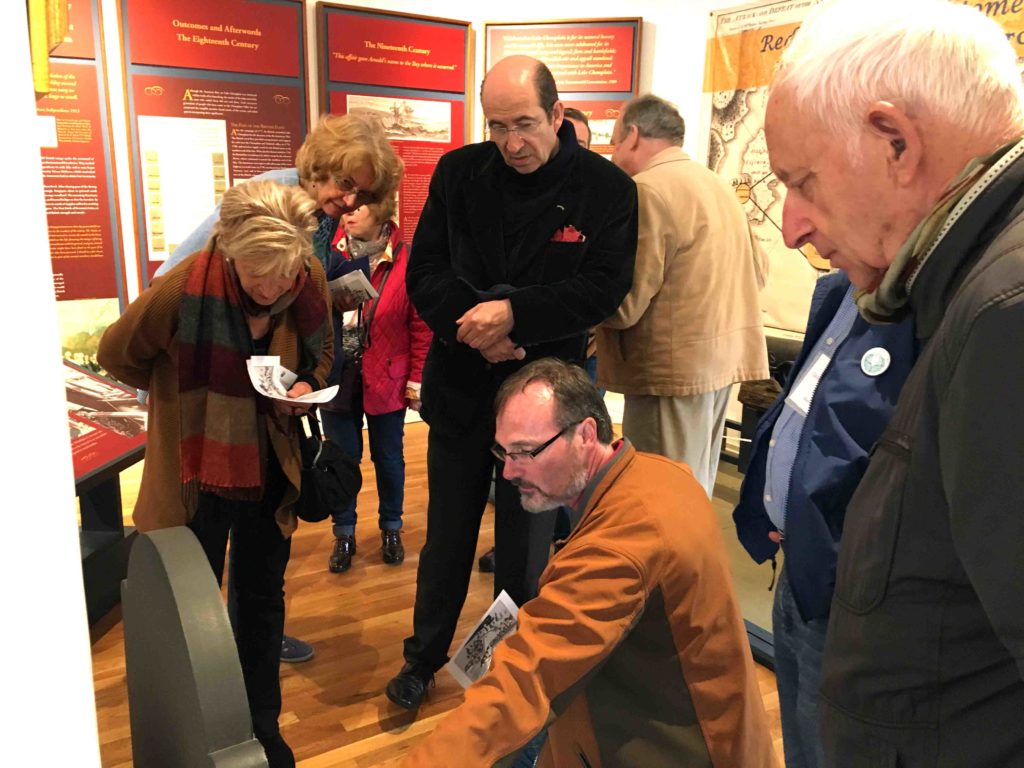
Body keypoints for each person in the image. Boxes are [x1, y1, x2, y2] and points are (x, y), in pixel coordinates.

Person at [764, 0, 1024, 763]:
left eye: (802, 180)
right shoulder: (972, 282)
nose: (792, 225)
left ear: (896, 142)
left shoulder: (1005, 310)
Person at [387, 55, 638, 711]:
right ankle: (424, 657)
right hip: (464, 386)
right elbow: (427, 274)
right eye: (497, 126)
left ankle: (514, 665)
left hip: (545, 402)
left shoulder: (608, 190)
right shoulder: (459, 173)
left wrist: (516, 315)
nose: (512, 143)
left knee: (527, 550)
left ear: (558, 114)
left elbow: (604, 287)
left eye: (525, 124)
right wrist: (483, 328)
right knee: (447, 535)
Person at [403, 358, 775, 767]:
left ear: (585, 434)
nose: (508, 471)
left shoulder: (620, 547)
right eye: (503, 451)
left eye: (525, 452)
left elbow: (527, 678)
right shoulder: (661, 473)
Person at [98, 180, 334, 767]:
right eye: (260, 273)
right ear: (229, 246)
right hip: (196, 471)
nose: (275, 288)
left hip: (270, 470)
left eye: (286, 273)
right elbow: (116, 352)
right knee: (189, 609)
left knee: (261, 602)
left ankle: (262, 728)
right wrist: (177, 396)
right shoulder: (183, 289)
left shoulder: (308, 279)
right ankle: (198, 728)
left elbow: (322, 350)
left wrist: (303, 386)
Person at [158, 113, 403, 663]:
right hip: (222, 403)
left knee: (264, 539)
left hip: (272, 400)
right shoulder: (267, 198)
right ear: (322, 165)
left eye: (362, 191)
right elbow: (177, 275)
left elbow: (291, 292)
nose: (350, 199)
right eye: (346, 183)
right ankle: (207, 655)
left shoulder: (318, 217)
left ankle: (253, 640)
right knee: (209, 536)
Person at [733, 270, 917, 768]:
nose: (794, 231)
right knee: (800, 739)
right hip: (800, 568)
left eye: (808, 188)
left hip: (847, 593)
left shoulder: (926, 307)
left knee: (826, 746)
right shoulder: (840, 293)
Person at [600, 94, 768, 496]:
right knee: (696, 489)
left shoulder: (646, 190)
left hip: (669, 374)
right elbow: (759, 271)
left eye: (614, 140)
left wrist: (575, 301)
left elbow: (627, 303)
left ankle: (672, 563)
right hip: (718, 365)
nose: (612, 151)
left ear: (634, 135)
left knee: (662, 495)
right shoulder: (717, 185)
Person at [321, 198, 431, 572]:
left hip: (386, 373)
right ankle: (344, 532)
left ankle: (391, 527)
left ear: (383, 210)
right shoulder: (325, 251)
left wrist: (416, 381)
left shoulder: (406, 257)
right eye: (347, 206)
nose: (349, 212)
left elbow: (420, 325)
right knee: (341, 458)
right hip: (338, 374)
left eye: (361, 206)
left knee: (388, 458)